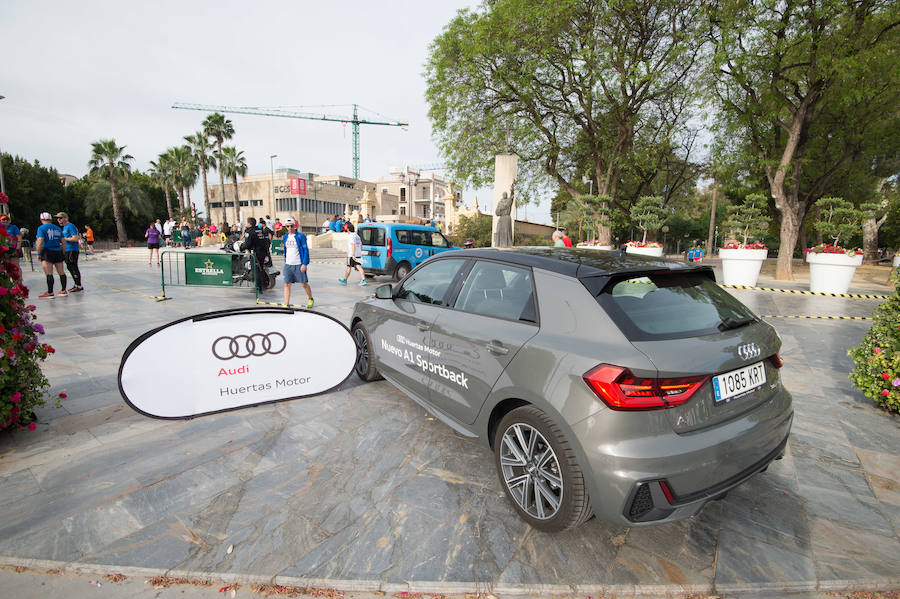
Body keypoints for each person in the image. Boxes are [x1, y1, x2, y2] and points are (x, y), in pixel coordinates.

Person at [281, 217, 314, 308]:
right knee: (287, 284)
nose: (290, 228)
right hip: (288, 264)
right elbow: (285, 250)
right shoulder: (285, 237)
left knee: (303, 283)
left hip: (298, 263)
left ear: (295, 226)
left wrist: (304, 263)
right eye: (287, 226)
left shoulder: (300, 236)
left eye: (291, 226)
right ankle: (286, 304)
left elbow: (305, 250)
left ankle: (310, 298)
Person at [34, 212, 67, 298]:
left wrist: (38, 253)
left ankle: (50, 292)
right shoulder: (57, 228)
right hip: (57, 250)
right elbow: (63, 242)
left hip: (47, 251)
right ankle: (63, 290)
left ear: (41, 219)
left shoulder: (41, 228)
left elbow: (40, 241)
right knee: (61, 272)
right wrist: (63, 252)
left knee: (49, 272)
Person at [239, 217, 270, 293]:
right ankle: (263, 285)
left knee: (256, 270)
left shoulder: (250, 231)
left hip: (255, 253)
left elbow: (247, 244)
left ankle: (258, 287)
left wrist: (241, 247)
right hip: (263, 252)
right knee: (260, 268)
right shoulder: (260, 230)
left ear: (249, 223)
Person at [56, 212, 84, 292]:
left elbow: (75, 238)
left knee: (73, 266)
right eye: (58, 218)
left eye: (60, 218)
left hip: (72, 249)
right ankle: (76, 284)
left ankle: (78, 285)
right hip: (67, 249)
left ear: (66, 218)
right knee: (69, 266)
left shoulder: (70, 226)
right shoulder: (64, 228)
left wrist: (64, 239)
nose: (58, 220)